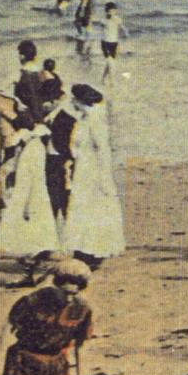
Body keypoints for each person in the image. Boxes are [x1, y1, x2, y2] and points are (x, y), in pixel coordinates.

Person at [60, 86, 124, 266]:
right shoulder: (85, 118)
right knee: (83, 207)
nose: (72, 103)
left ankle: (93, 250)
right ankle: (83, 248)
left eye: (75, 100)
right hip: (84, 168)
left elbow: (102, 149)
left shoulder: (95, 119)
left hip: (93, 171)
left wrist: (105, 177)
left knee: (93, 208)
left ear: (81, 101)